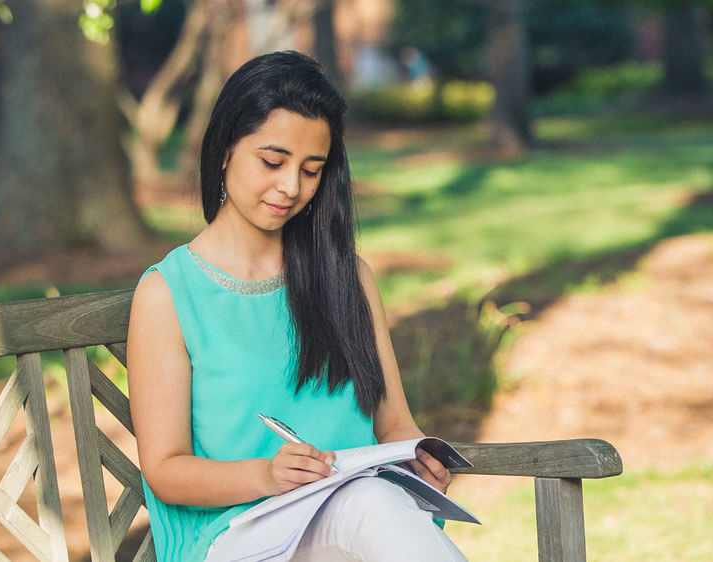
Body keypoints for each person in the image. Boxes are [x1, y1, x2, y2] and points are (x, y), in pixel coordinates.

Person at [126, 51, 467, 562]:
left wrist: (419, 458)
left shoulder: (346, 277)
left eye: (312, 170)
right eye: (272, 161)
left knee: (371, 504)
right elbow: (166, 469)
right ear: (223, 151)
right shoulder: (167, 293)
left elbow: (394, 423)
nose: (291, 187)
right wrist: (266, 474)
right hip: (237, 536)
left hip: (353, 525)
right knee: (370, 505)